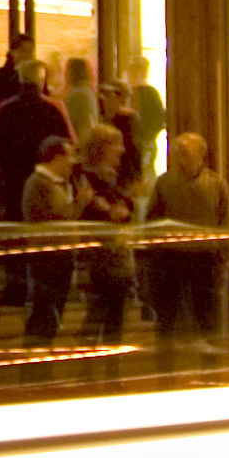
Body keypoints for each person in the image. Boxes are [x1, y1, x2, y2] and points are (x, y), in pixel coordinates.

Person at [0, 57, 75, 304]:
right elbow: (68, 141)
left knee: (15, 233)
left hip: (13, 180)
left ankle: (15, 287)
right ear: (42, 80)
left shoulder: (6, 108)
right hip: (44, 178)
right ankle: (41, 290)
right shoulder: (53, 107)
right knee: (44, 233)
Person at [143, 129, 229, 354]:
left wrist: (223, 258)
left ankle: (210, 365)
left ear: (201, 153)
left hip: (204, 257)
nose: (181, 155)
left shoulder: (215, 184)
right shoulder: (165, 182)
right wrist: (155, 254)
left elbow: (225, 223)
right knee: (167, 315)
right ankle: (165, 365)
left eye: (186, 151)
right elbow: (152, 219)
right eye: (179, 151)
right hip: (172, 257)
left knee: (206, 314)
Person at [69, 124, 139, 353]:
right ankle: (86, 364)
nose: (120, 151)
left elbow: (123, 212)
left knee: (116, 316)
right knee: (97, 313)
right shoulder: (85, 178)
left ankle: (111, 366)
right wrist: (111, 211)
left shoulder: (111, 180)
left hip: (117, 257)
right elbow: (93, 211)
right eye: (115, 146)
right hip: (97, 256)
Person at [19, 134, 80, 338]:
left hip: (59, 258)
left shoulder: (57, 184)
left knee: (53, 313)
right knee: (45, 312)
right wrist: (80, 204)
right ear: (57, 157)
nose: (72, 162)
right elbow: (56, 217)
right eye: (69, 156)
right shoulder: (39, 184)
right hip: (47, 260)